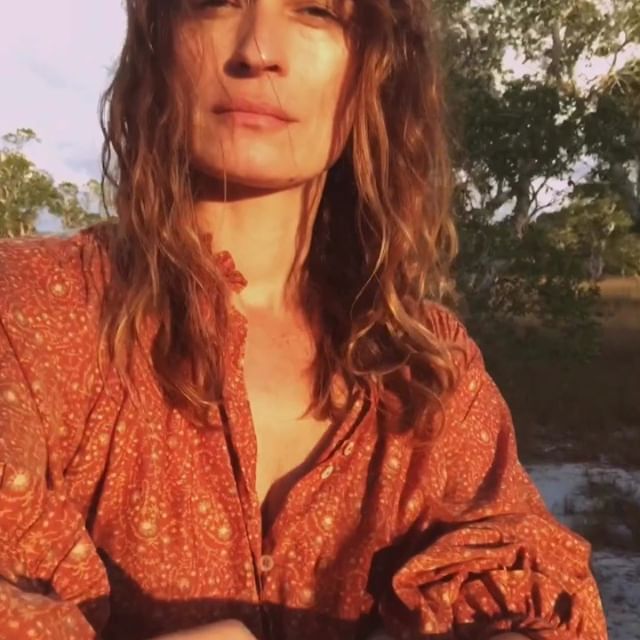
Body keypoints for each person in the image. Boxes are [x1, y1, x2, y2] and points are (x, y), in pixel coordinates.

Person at [0, 0, 608, 638]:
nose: (258, 51)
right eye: (216, 3)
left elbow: (521, 572)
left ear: (376, 66)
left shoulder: (429, 365)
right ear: (158, 41)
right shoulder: (32, 310)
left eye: (316, 11)